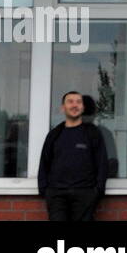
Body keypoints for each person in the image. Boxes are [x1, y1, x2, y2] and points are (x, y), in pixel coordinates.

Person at [37, 91, 108, 222]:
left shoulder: (92, 133)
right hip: (56, 194)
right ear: (62, 107)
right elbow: (44, 162)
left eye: (78, 102)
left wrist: (97, 191)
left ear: (83, 107)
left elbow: (102, 163)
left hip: (85, 193)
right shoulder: (54, 134)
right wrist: (45, 190)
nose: (75, 105)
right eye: (70, 101)